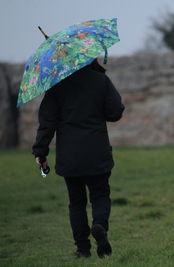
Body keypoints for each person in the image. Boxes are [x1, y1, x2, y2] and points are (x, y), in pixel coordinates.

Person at [32, 58, 124, 258]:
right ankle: (99, 225)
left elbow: (47, 122)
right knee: (100, 195)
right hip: (97, 151)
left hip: (69, 156)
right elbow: (115, 112)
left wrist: (40, 152)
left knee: (76, 203)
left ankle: (83, 250)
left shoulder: (57, 86)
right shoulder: (101, 81)